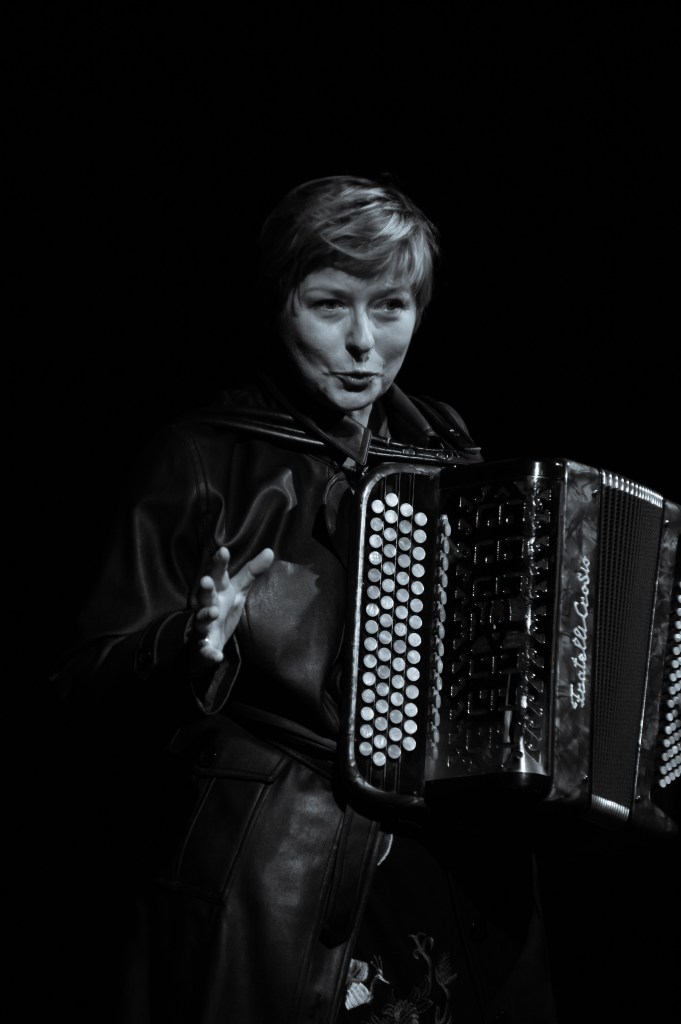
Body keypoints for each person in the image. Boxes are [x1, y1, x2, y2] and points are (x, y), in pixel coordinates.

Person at [49, 174, 560, 1023]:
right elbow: (77, 686)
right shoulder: (202, 457)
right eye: (328, 305)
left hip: (451, 876)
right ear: (278, 304)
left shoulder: (451, 452)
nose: (363, 342)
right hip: (280, 872)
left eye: (390, 307)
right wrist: (185, 647)